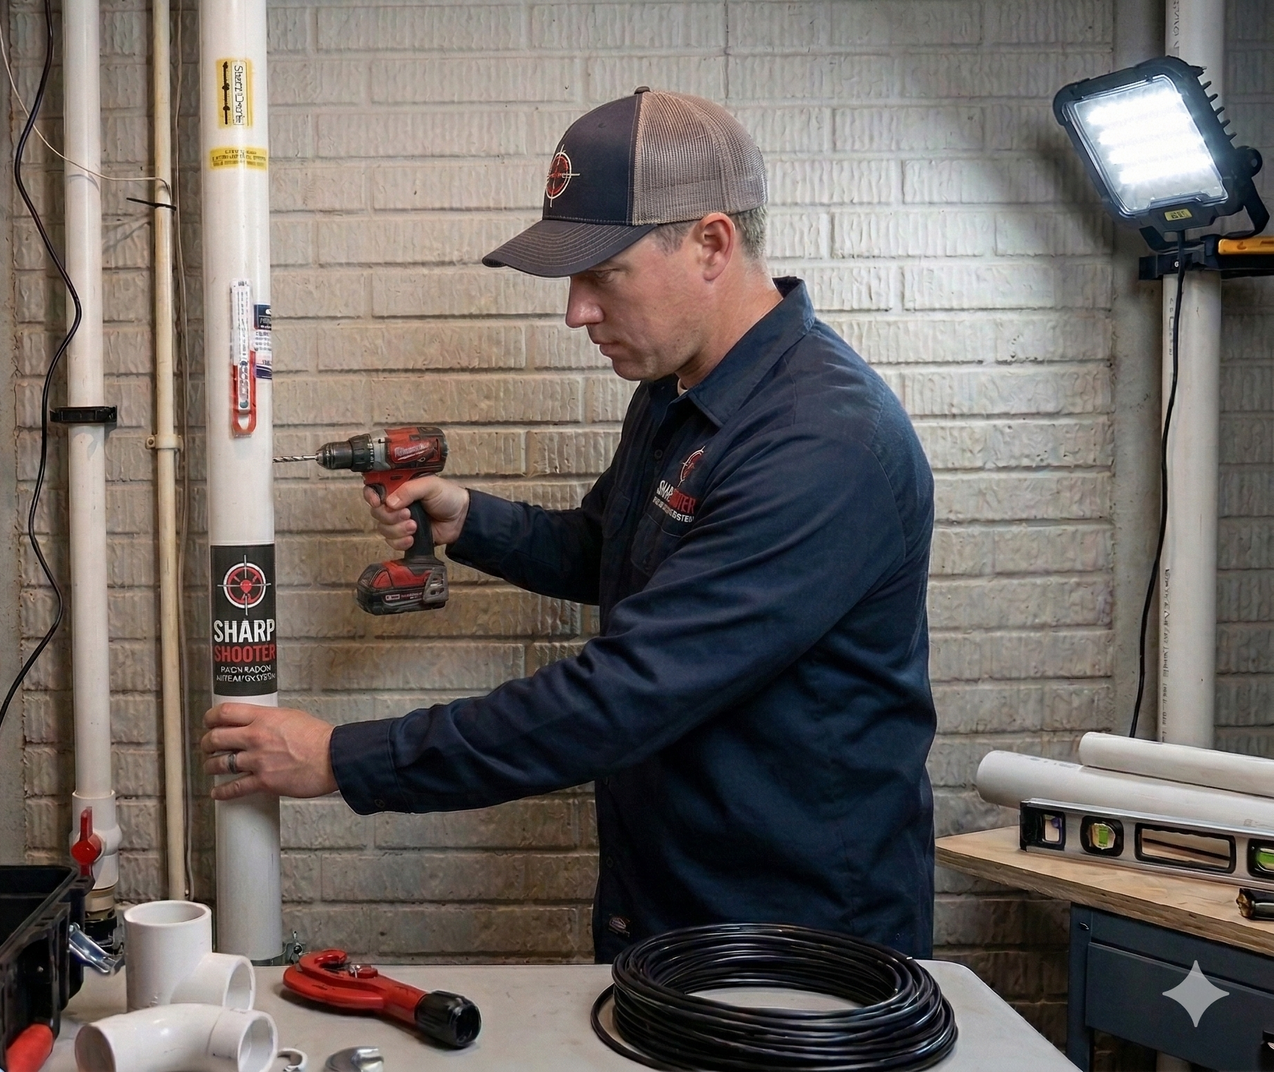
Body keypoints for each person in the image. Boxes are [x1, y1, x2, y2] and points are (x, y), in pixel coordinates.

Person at [200, 88, 937, 961]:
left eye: (602, 275)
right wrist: (469, 519)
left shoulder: (821, 445)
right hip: (671, 911)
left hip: (800, 944)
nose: (576, 312)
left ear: (710, 243)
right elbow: (611, 552)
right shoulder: (678, 394)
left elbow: (624, 697)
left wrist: (345, 759)